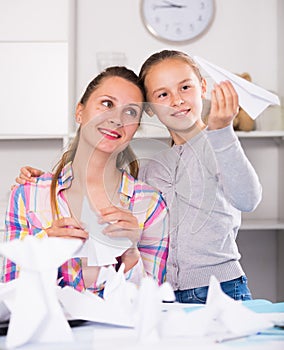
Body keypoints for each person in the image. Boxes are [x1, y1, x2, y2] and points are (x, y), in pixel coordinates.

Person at [14, 50, 262, 303]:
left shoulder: (219, 146)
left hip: (222, 288)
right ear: (151, 109)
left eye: (185, 87)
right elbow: (104, 176)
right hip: (169, 295)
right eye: (163, 94)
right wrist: (50, 181)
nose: (176, 100)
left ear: (203, 87)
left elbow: (248, 198)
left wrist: (221, 132)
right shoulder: (152, 169)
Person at [2, 66, 169, 295]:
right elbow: (12, 292)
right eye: (107, 104)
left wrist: (130, 254)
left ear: (136, 128)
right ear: (79, 112)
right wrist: (42, 249)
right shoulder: (28, 195)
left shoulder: (150, 204)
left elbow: (154, 302)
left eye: (130, 112)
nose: (117, 119)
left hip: (119, 331)